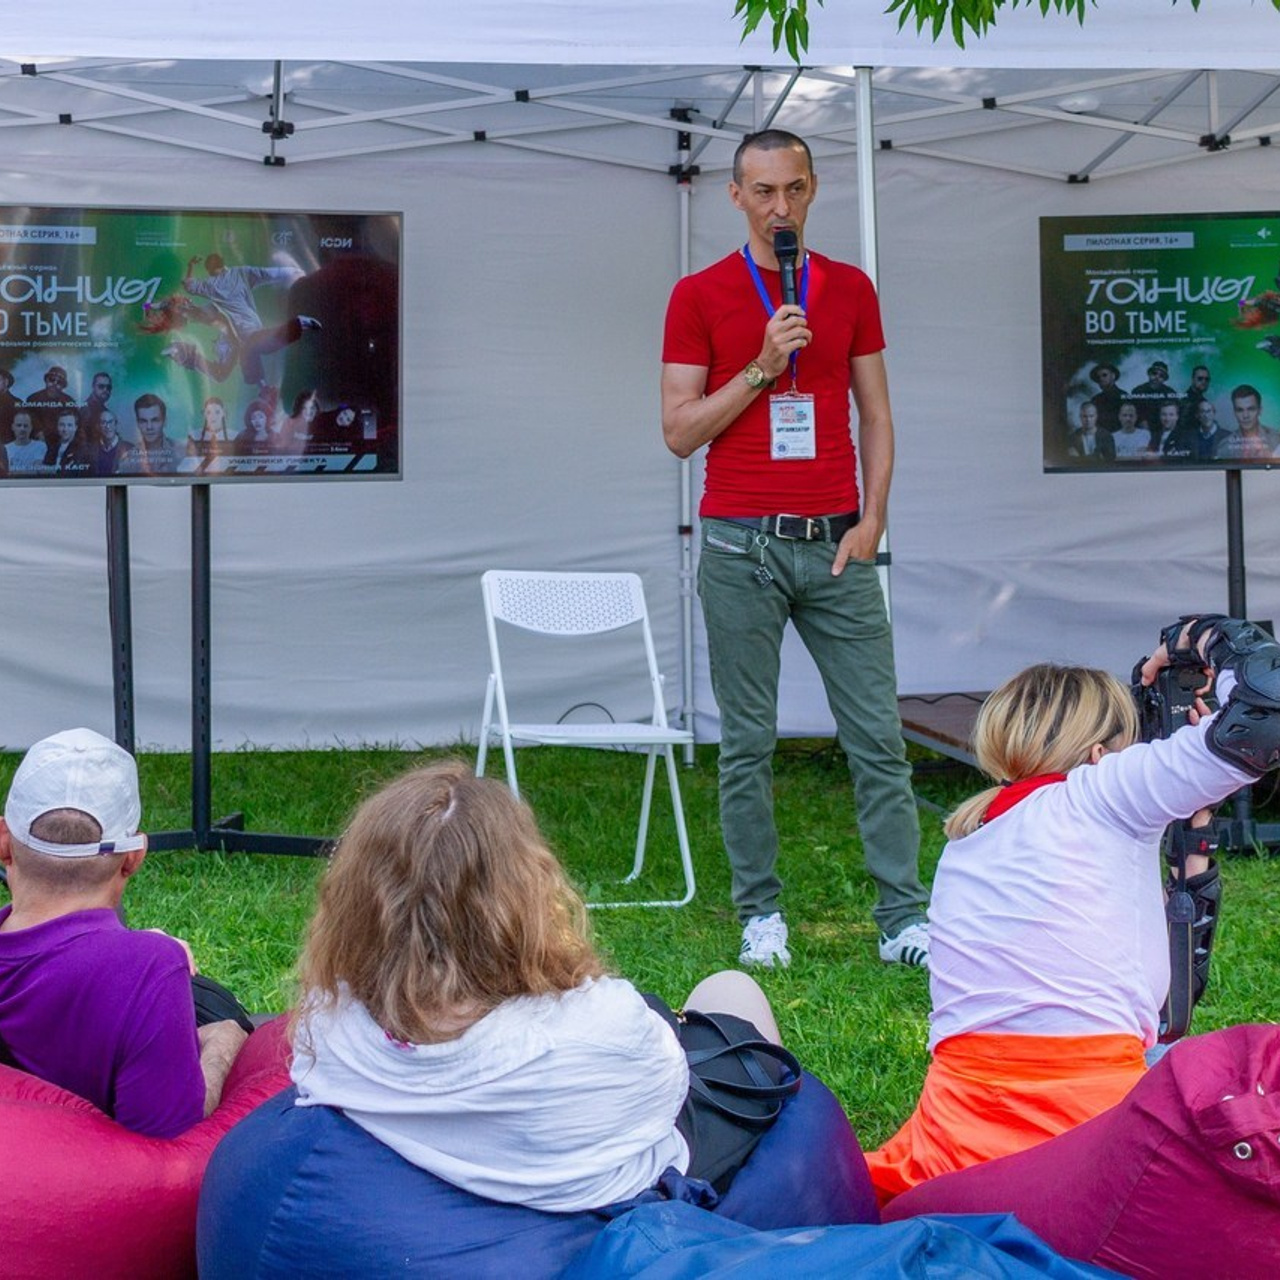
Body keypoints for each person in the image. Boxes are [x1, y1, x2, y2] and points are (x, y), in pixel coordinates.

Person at [865, 614, 1280, 1205]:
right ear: (1097, 754)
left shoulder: (972, 836)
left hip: (960, 1135)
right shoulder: (1100, 792)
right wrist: (1190, 636)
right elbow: (1266, 708)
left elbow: (1152, 988)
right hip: (1083, 1128)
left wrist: (1194, 822)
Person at [290, 761, 793, 1212]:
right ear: (520, 896)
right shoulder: (604, 1026)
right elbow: (667, 1087)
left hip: (501, 1125)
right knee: (729, 989)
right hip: (617, 1175)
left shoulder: (333, 1024)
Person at [660, 129, 929, 970]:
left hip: (836, 541)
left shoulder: (849, 288)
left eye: (796, 190)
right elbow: (677, 432)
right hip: (741, 546)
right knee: (747, 741)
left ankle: (903, 919)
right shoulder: (698, 294)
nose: (782, 209)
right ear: (734, 195)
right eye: (764, 192)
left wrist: (873, 518)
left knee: (877, 735)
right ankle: (760, 915)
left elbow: (877, 413)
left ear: (814, 190)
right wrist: (760, 366)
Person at [0, 728, 249, 1138]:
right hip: (88, 1194)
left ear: (5, 843)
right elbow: (170, 1146)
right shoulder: (147, 969)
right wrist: (223, 1043)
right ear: (134, 857)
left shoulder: (141, 964)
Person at [183, 253, 322, 391]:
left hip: (244, 332)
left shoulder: (210, 285)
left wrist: (190, 267)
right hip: (251, 328)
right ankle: (263, 387)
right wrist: (296, 272)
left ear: (209, 271)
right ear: (222, 264)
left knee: (257, 348)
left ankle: (299, 323)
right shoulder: (241, 272)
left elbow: (189, 286)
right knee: (249, 352)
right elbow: (270, 274)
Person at [1217, 383, 1280, 460]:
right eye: (1240, 410)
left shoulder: (1276, 440)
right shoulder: (1225, 447)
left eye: (1251, 409)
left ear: (1260, 410)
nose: (1245, 416)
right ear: (1234, 412)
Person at [1163, 397, 1228, 462]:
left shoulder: (1227, 436)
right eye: (1202, 412)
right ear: (1197, 415)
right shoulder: (1186, 437)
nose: (1206, 416)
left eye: (1208, 411)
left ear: (1214, 414)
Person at [1088, 362, 1126, 432]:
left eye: (1104, 375)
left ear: (1113, 376)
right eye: (1098, 377)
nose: (1101, 379)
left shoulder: (1124, 397)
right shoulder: (1095, 400)